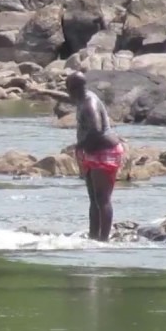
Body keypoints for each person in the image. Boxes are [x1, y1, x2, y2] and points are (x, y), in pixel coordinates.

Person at [69, 71, 125, 242]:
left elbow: (97, 129)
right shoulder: (81, 97)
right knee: (93, 198)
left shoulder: (89, 103)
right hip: (92, 151)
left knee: (103, 198)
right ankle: (93, 237)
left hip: (105, 151)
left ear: (72, 88)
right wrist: (45, 93)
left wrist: (80, 145)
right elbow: (67, 99)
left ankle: (104, 239)